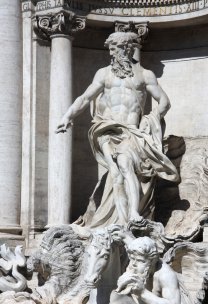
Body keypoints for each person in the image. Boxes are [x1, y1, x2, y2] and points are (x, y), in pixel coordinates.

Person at [56, 32, 179, 227]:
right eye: (110, 49)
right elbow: (85, 98)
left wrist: (152, 119)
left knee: (125, 164)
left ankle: (133, 213)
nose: (112, 53)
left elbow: (164, 101)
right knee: (115, 171)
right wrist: (67, 116)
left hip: (131, 130)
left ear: (128, 48)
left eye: (115, 48)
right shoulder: (103, 73)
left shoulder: (145, 75)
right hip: (106, 129)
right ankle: (121, 220)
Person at [116, 236, 208, 304]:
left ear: (152, 260)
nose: (134, 265)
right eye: (132, 259)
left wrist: (143, 292)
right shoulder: (134, 266)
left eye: (140, 261)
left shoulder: (165, 275)